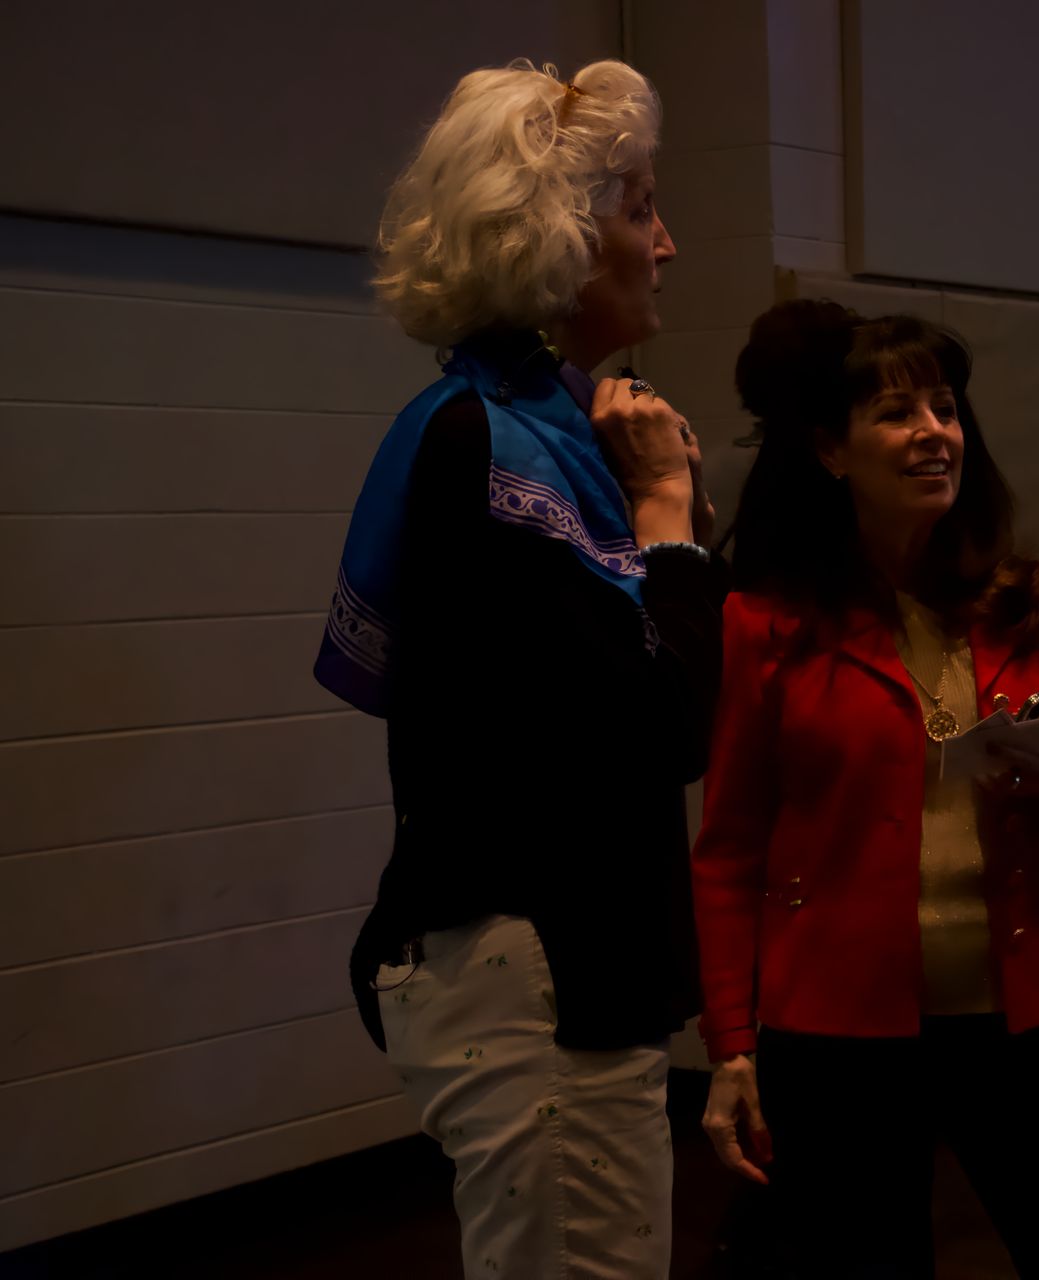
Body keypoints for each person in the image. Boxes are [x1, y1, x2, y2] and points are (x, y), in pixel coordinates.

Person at [319, 58, 723, 1279]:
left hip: (565, 965)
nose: (669, 243)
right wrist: (667, 514)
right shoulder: (489, 448)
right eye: (641, 206)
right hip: (536, 977)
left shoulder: (558, 424)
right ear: (557, 234)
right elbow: (668, 724)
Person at [691, 299, 1039, 1278]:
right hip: (841, 1029)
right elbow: (727, 852)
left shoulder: (1031, 604)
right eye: (899, 412)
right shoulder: (766, 629)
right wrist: (731, 1041)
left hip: (1021, 1011)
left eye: (945, 408)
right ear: (832, 451)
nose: (936, 432)